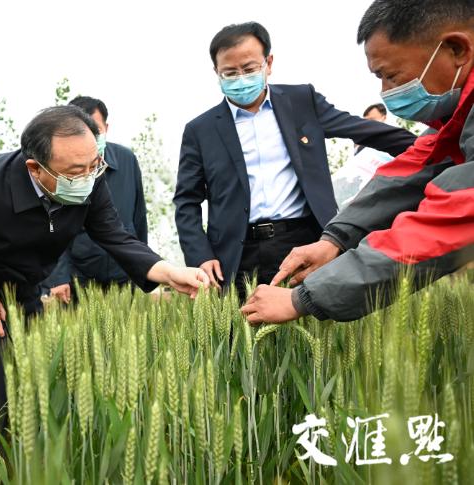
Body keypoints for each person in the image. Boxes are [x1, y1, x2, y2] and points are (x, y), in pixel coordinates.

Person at [0, 106, 209, 403]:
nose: (89, 177)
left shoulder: (89, 180)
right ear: (35, 168)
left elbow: (115, 236)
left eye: (94, 165)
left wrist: (170, 272)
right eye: (76, 171)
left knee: (34, 379)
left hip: (27, 284)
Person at [242, 0, 474, 324]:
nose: (385, 92)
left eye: (391, 76)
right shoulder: (454, 124)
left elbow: (452, 215)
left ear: (457, 49)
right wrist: (333, 240)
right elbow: (406, 174)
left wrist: (301, 298)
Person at [174, 21, 418, 299]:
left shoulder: (301, 101)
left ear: (269, 63)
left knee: (311, 331)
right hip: (235, 254)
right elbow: (187, 201)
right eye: (230, 73)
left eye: (250, 69)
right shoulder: (200, 130)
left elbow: (363, 130)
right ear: (216, 73)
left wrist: (433, 146)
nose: (241, 79)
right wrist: (200, 254)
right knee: (239, 338)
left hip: (303, 242)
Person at [44, 96, 147, 303]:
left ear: (106, 127)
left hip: (123, 274)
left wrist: (143, 266)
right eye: (83, 132)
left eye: (96, 130)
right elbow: (51, 226)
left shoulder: (127, 159)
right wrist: (58, 275)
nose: (90, 138)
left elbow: (139, 217)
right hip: (78, 278)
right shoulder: (57, 167)